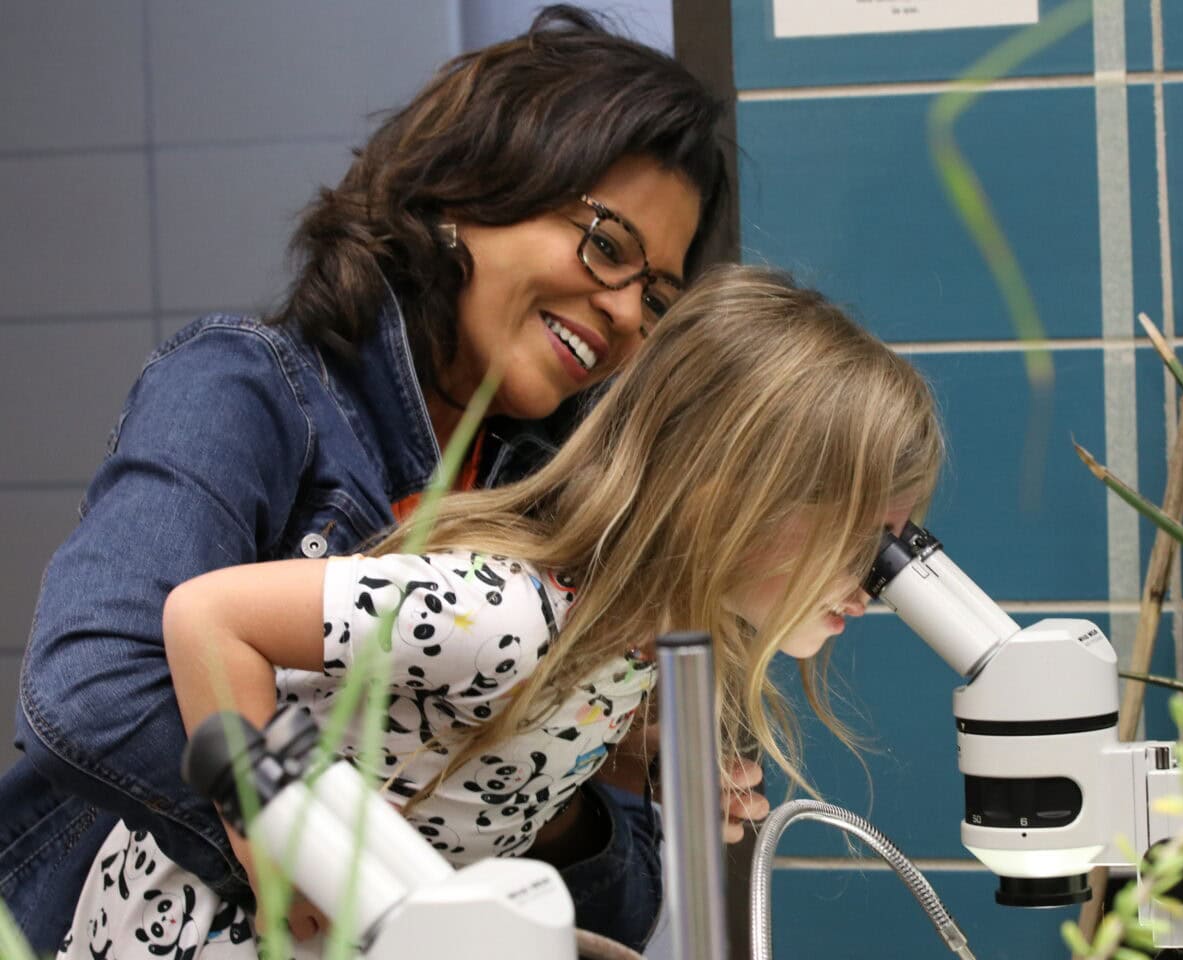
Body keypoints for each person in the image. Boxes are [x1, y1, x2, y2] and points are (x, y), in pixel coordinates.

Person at [0, 6, 727, 952]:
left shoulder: (568, 496)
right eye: (607, 245)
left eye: (657, 296)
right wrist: (322, 853)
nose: (626, 312)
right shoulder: (247, 387)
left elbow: (621, 903)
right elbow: (94, 682)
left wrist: (544, 773)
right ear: (469, 189)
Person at [56, 264, 945, 959]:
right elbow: (208, 617)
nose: (876, 582)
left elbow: (479, 750)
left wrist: (641, 765)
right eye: (868, 539)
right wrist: (267, 848)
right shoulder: (501, 617)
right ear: (736, 501)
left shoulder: (629, 652)